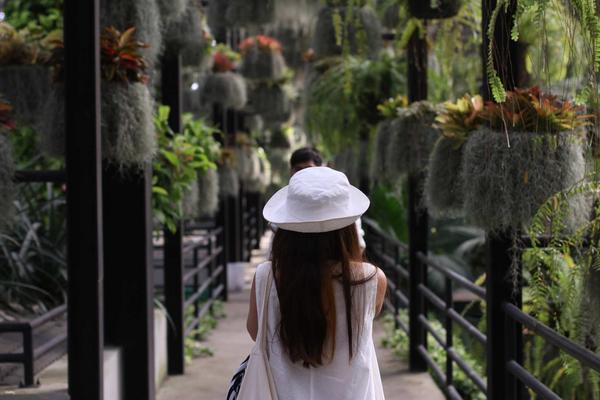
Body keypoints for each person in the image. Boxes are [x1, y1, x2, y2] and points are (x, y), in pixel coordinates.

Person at [246, 167, 387, 399]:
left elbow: (255, 331)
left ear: (287, 228)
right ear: (349, 228)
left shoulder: (267, 277)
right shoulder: (371, 280)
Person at [288, 147, 366, 249]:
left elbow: (358, 245)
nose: (303, 174)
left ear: (321, 171)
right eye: (299, 169)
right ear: (290, 172)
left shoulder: (342, 203)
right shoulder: (287, 205)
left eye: (308, 169)